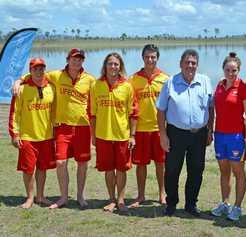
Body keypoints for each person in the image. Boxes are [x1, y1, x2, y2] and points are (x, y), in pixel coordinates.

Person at [13, 49, 96, 209]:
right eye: (74, 59)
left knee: (82, 163)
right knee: (60, 162)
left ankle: (80, 196)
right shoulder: (56, 75)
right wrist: (19, 80)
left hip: (82, 127)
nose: (76, 62)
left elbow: (97, 98)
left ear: (83, 61)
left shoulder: (90, 80)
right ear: (68, 59)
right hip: (62, 127)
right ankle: (63, 197)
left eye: (80, 59)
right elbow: (37, 75)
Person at [156, 49, 213, 216]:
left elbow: (211, 107)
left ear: (197, 65)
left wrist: (210, 129)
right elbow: (161, 110)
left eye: (193, 63)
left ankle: (191, 204)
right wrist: (163, 135)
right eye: (187, 62)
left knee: (196, 169)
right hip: (176, 133)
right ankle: (171, 203)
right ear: (180, 64)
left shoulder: (205, 81)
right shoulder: (170, 83)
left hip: (199, 134)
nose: (190, 66)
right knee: (172, 169)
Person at [90, 52, 138, 212]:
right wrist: (93, 135)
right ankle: (111, 199)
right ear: (105, 66)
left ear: (120, 67)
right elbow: (92, 114)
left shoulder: (127, 86)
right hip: (103, 135)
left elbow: (133, 114)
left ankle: (121, 200)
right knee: (109, 169)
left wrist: (132, 135)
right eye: (110, 63)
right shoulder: (96, 86)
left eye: (116, 64)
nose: (113, 67)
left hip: (122, 136)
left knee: (122, 169)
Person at [210, 52, 246, 221]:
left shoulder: (243, 88)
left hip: (236, 137)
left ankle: (238, 206)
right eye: (228, 70)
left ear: (238, 70)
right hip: (220, 135)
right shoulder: (219, 86)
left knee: (238, 171)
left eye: (234, 70)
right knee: (223, 171)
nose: (230, 73)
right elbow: (214, 110)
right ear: (223, 70)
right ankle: (225, 203)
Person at [8, 58, 56, 209]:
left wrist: (55, 133)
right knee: (28, 169)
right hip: (27, 137)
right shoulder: (21, 89)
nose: (38, 71)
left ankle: (40, 196)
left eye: (41, 68)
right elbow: (14, 114)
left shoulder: (52, 88)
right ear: (30, 70)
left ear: (45, 70)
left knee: (42, 168)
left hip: (46, 136)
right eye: (35, 68)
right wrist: (15, 134)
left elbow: (54, 113)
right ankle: (29, 197)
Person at [128, 44, 168, 207]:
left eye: (153, 57)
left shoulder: (166, 79)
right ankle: (141, 195)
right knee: (141, 164)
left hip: (159, 129)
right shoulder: (133, 79)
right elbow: (130, 106)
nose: (150, 60)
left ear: (157, 58)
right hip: (141, 129)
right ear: (142, 58)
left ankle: (162, 194)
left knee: (161, 163)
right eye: (147, 57)